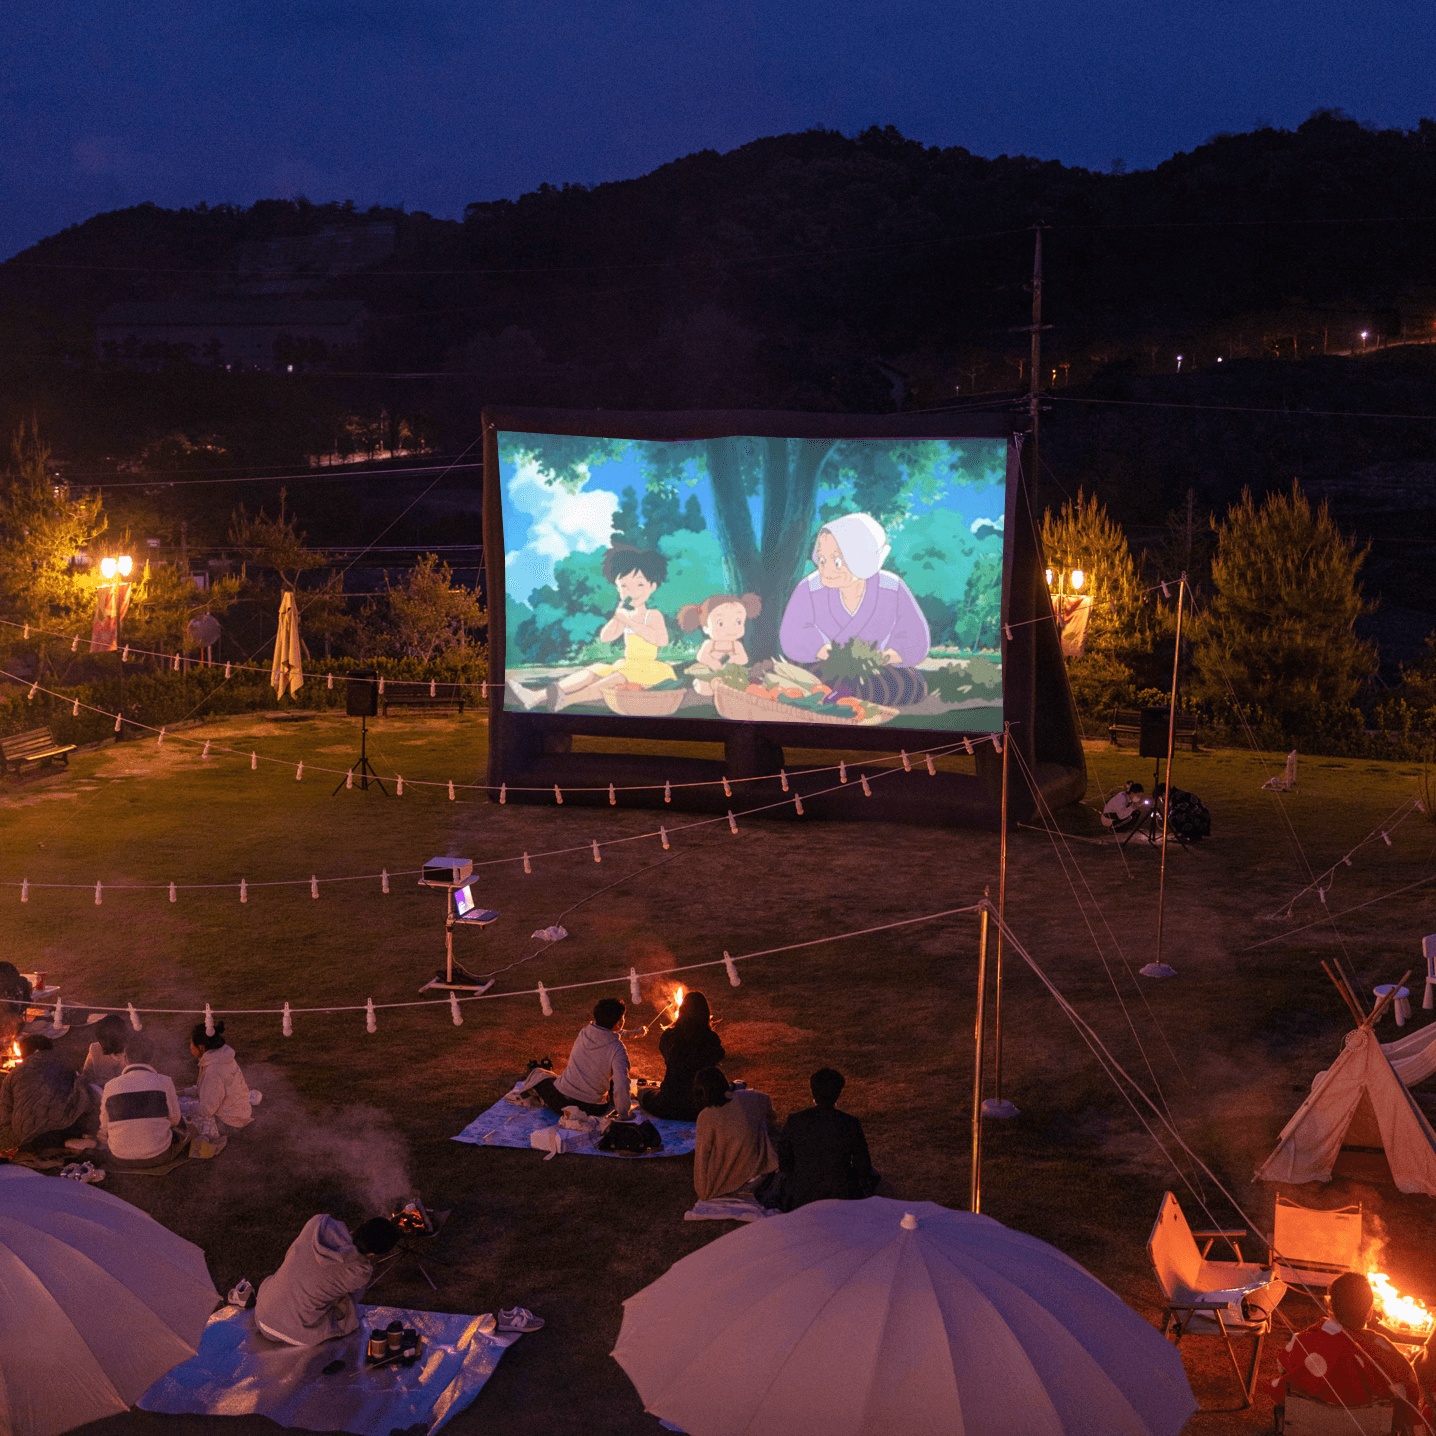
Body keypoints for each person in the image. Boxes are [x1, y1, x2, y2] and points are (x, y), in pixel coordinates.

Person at [778, 513, 931, 700]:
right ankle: (839, 695)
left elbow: (914, 634)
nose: (824, 569)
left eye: (836, 562)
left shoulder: (892, 587)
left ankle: (847, 695)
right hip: (824, 665)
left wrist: (885, 657)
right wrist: (823, 650)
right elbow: (793, 632)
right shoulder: (809, 588)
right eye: (822, 560)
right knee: (814, 679)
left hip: (875, 668)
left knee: (910, 684)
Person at [511, 545, 676, 712]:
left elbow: (662, 640)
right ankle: (536, 696)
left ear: (652, 586)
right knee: (594, 671)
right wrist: (618, 617)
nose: (631, 591)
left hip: (648, 669)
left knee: (616, 678)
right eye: (624, 586)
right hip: (628, 664)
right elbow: (606, 637)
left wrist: (631, 623)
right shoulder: (624, 615)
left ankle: (567, 699)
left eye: (639, 584)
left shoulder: (653, 615)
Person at [1270, 1271, 1430, 1433]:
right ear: (1369, 1313)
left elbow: (1284, 1374)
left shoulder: (1303, 1342)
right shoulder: (1387, 1354)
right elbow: (1410, 1398)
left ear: (1330, 1306)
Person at [254, 1215, 400, 1346]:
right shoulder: (360, 1271)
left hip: (262, 1312)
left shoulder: (319, 1224)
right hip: (294, 1332)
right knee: (347, 1313)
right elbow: (352, 1302)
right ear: (374, 1252)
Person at [776, 1068, 879, 1211]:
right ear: (838, 1093)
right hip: (841, 1195)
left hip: (801, 1196)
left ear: (812, 1091)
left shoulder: (795, 1121)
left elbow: (785, 1162)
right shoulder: (850, 1123)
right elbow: (863, 1167)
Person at [532, 998, 632, 1118]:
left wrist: (636, 1033)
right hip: (592, 1109)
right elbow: (622, 1083)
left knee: (540, 1076)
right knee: (614, 1081)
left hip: (561, 1103)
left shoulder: (584, 1032)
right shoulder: (618, 1049)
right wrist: (624, 1114)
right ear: (619, 1023)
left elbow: (607, 1034)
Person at [98, 1034, 187, 1167]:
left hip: (119, 1158)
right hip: (159, 1155)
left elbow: (105, 1126)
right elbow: (175, 1119)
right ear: (151, 1058)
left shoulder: (110, 1086)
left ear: (126, 1057)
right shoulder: (164, 1081)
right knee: (189, 1130)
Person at [692, 1066, 778, 1202]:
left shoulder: (706, 1116)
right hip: (763, 1174)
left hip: (737, 1184)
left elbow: (702, 1157)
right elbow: (767, 1103)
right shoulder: (749, 1096)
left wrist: (702, 1191)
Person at [639, 991, 724, 1122]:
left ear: (681, 1012)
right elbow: (718, 1056)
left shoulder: (669, 1036)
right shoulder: (711, 1039)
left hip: (667, 1106)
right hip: (699, 1108)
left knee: (642, 1092)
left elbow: (667, 1055)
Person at [0, 1035, 93, 1151]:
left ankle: (58, 1143)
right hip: (63, 1125)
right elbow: (82, 1091)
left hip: (26, 1133)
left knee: (42, 1134)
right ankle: (69, 1141)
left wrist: (16, 1135)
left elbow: (4, 1112)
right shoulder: (66, 1064)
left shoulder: (12, 1075)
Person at [180, 1021, 253, 1150]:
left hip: (228, 1124)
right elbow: (206, 1090)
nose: (190, 1046)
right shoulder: (222, 1058)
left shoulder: (213, 1070)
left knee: (180, 1118)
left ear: (201, 1047)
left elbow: (206, 1109)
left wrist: (181, 1107)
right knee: (184, 1101)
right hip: (240, 1114)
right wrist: (183, 1092)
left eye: (191, 1043)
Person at [677, 594, 761, 696]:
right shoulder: (709, 644)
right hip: (711, 674)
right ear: (705, 628)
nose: (731, 628)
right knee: (703, 684)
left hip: (731, 675)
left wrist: (730, 663)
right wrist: (713, 663)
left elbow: (743, 659)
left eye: (738, 622)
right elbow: (701, 656)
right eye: (720, 623)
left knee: (739, 684)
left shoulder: (736, 645)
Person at [82, 1015, 130, 1090]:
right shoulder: (95, 1048)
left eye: (103, 1039)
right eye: (100, 1039)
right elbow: (86, 1075)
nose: (100, 1042)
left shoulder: (130, 1053)